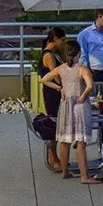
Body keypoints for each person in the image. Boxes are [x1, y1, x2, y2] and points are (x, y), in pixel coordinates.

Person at [42, 42, 99, 183]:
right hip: (79, 106)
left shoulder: (61, 68)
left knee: (65, 141)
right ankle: (84, 176)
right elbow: (90, 86)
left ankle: (65, 171)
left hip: (65, 105)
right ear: (79, 53)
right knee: (81, 142)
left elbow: (44, 79)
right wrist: (83, 95)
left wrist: (59, 88)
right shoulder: (82, 69)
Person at [35, 26, 71, 173]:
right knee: (54, 123)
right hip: (52, 93)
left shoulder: (50, 53)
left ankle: (54, 157)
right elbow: (55, 75)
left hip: (51, 92)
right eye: (62, 40)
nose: (63, 43)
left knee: (55, 123)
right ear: (55, 39)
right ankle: (53, 157)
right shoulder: (49, 55)